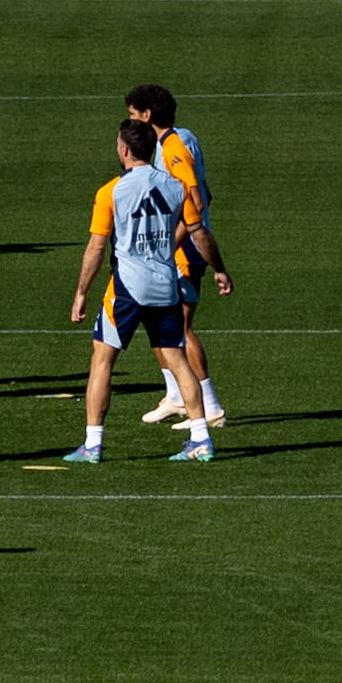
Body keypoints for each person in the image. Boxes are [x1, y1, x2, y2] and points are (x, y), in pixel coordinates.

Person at [65, 122, 207, 463]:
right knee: (177, 359)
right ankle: (201, 437)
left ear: (124, 150)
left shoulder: (110, 191)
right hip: (165, 284)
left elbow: (96, 249)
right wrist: (220, 269)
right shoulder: (175, 188)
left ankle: (93, 444)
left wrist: (81, 291)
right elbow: (198, 232)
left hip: (127, 287)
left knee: (103, 360)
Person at [127, 84, 232, 432]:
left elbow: (197, 206)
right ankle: (175, 396)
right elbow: (207, 193)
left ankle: (210, 406)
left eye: (133, 115)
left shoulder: (174, 149)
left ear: (147, 115)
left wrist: (166, 245)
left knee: (180, 327)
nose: (130, 121)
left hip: (184, 251)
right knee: (158, 325)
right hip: (176, 249)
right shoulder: (181, 140)